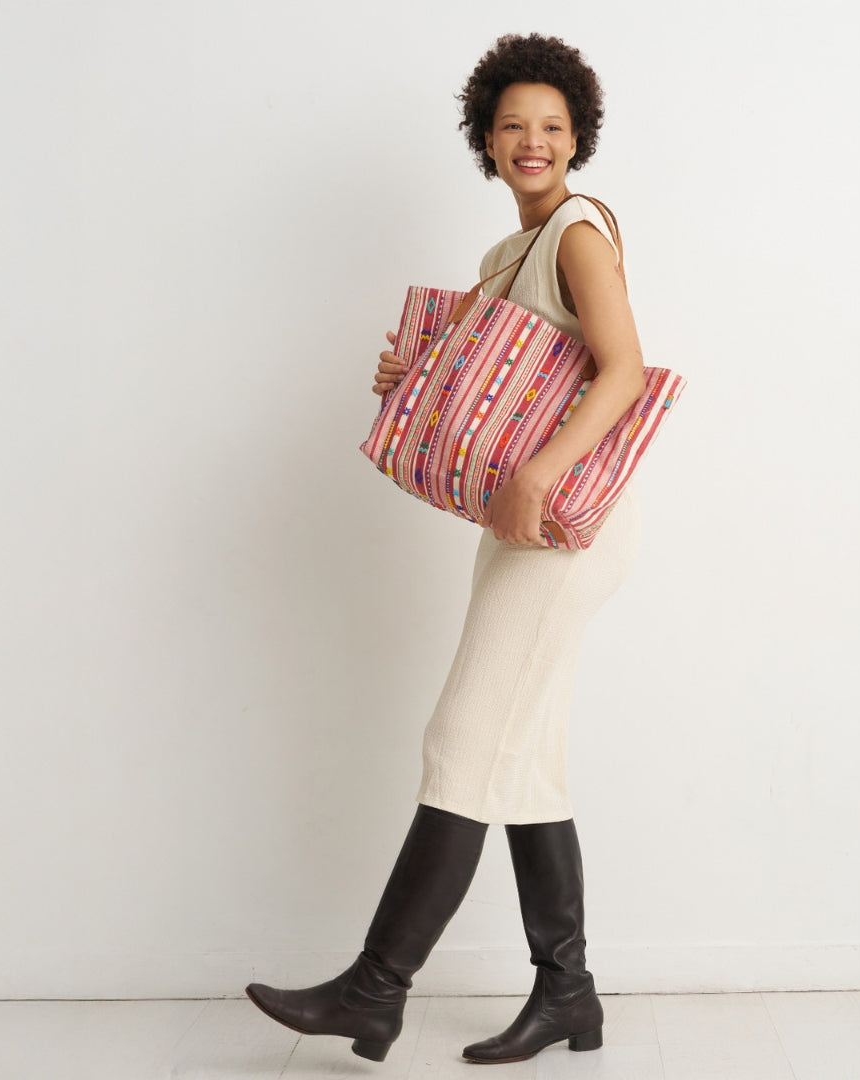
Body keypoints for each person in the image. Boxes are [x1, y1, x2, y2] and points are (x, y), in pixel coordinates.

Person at [245, 32, 647, 1065]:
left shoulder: (577, 234)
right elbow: (486, 391)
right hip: (525, 522)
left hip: (559, 525)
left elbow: (624, 373)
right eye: (513, 124)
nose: (533, 141)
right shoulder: (504, 256)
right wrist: (408, 381)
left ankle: (376, 990)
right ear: (484, 137)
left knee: (462, 742)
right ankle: (570, 993)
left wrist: (537, 473)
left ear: (578, 139)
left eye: (553, 127)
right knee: (525, 765)